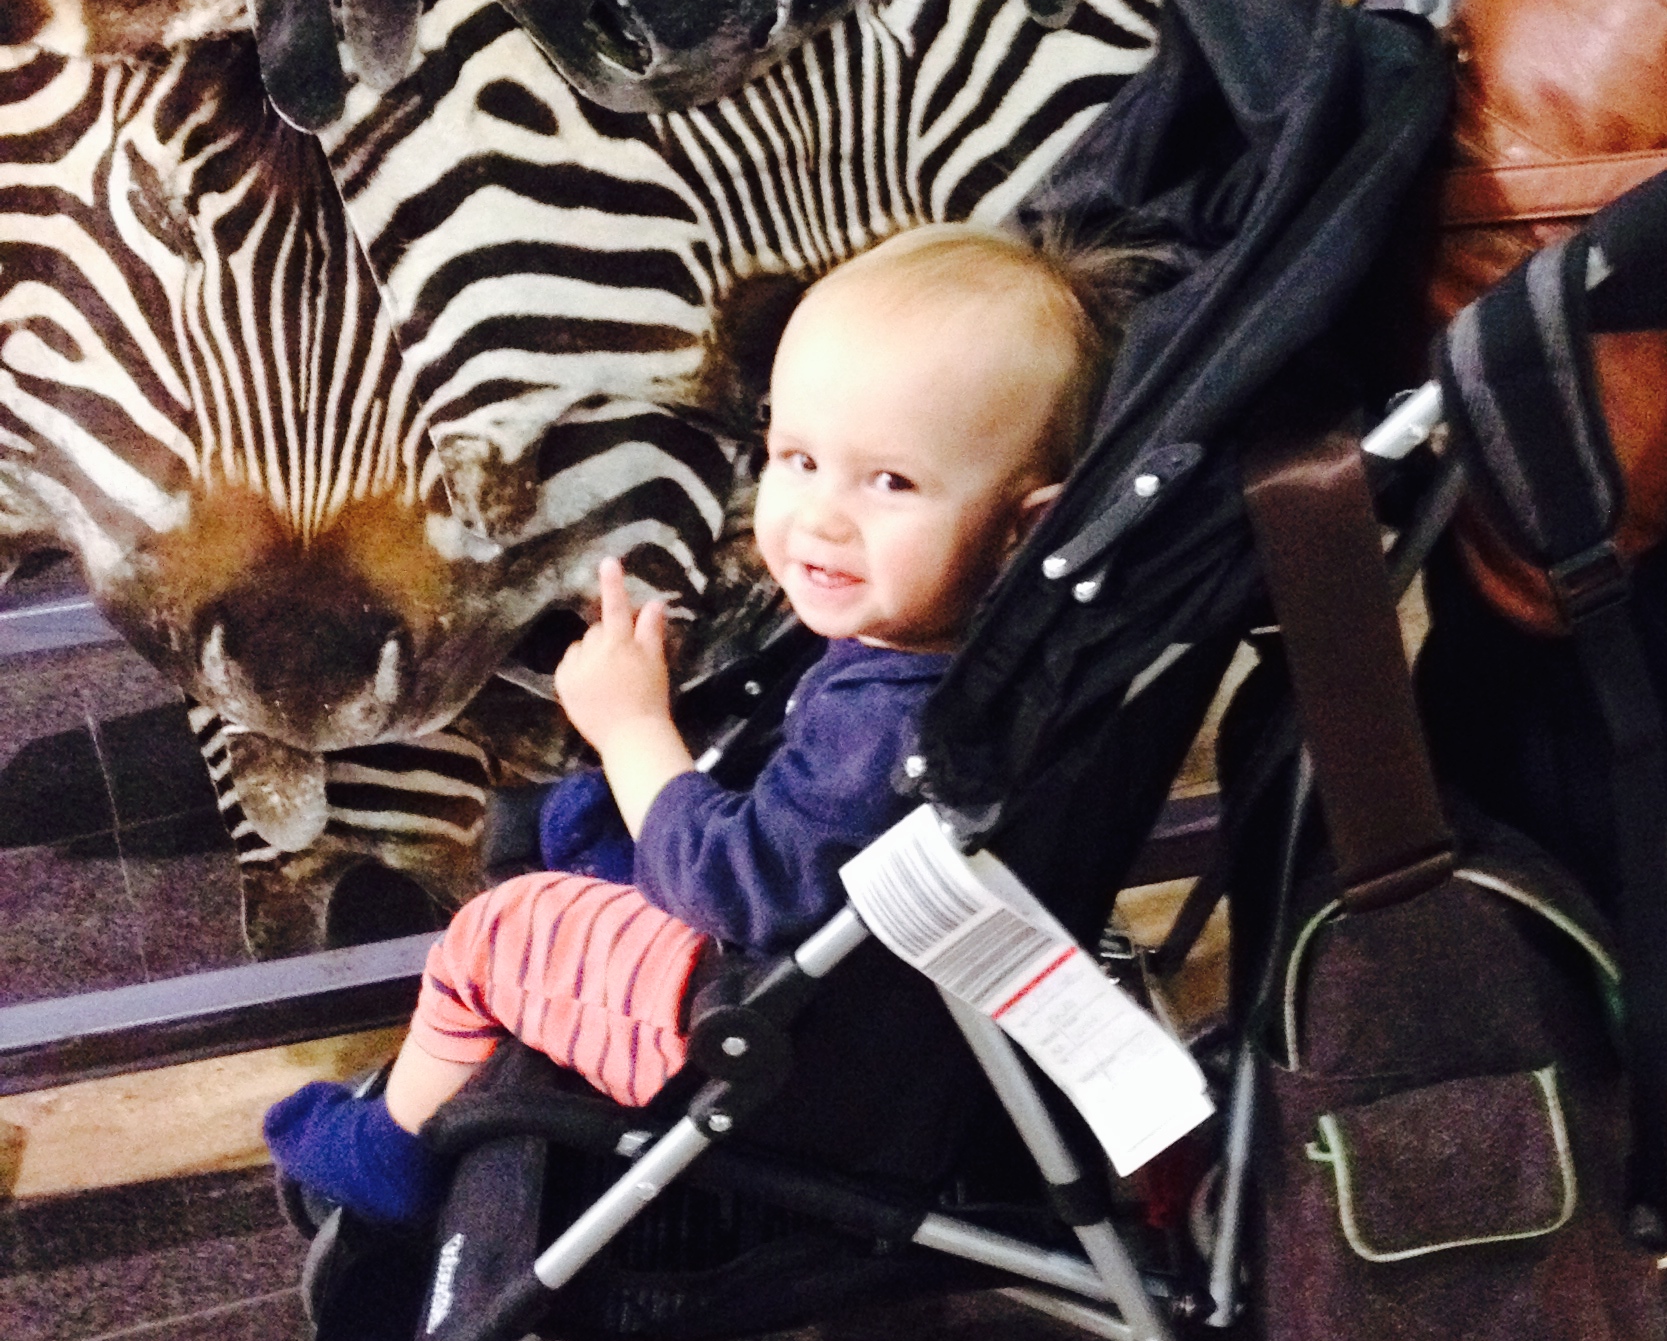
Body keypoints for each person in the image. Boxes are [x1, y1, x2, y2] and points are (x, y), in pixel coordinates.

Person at [263, 222, 1130, 1228]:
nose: (820, 517)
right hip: (826, 970)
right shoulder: (948, 650)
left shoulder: (895, 726)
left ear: (1023, 526)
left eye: (889, 482)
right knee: (581, 823)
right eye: (797, 458)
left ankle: (390, 1150)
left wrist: (634, 726)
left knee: (492, 933)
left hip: (766, 1039)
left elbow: (737, 886)